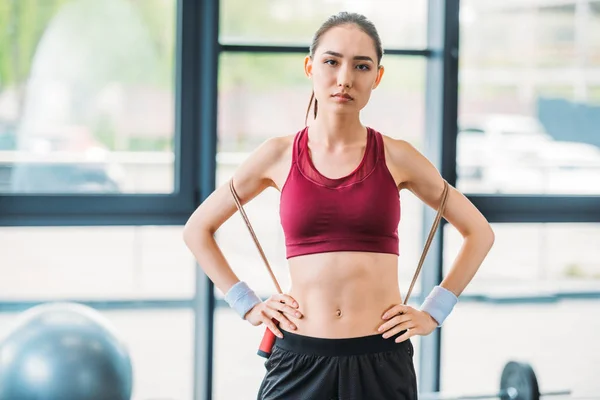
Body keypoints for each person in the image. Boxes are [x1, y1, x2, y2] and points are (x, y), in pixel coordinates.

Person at [183, 11, 495, 400]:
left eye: (361, 66)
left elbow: (479, 232)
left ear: (376, 77)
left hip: (381, 358)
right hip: (298, 359)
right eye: (332, 61)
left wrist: (434, 311)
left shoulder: (398, 156)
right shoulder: (276, 155)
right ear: (310, 67)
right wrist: (247, 304)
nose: (345, 78)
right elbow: (197, 229)